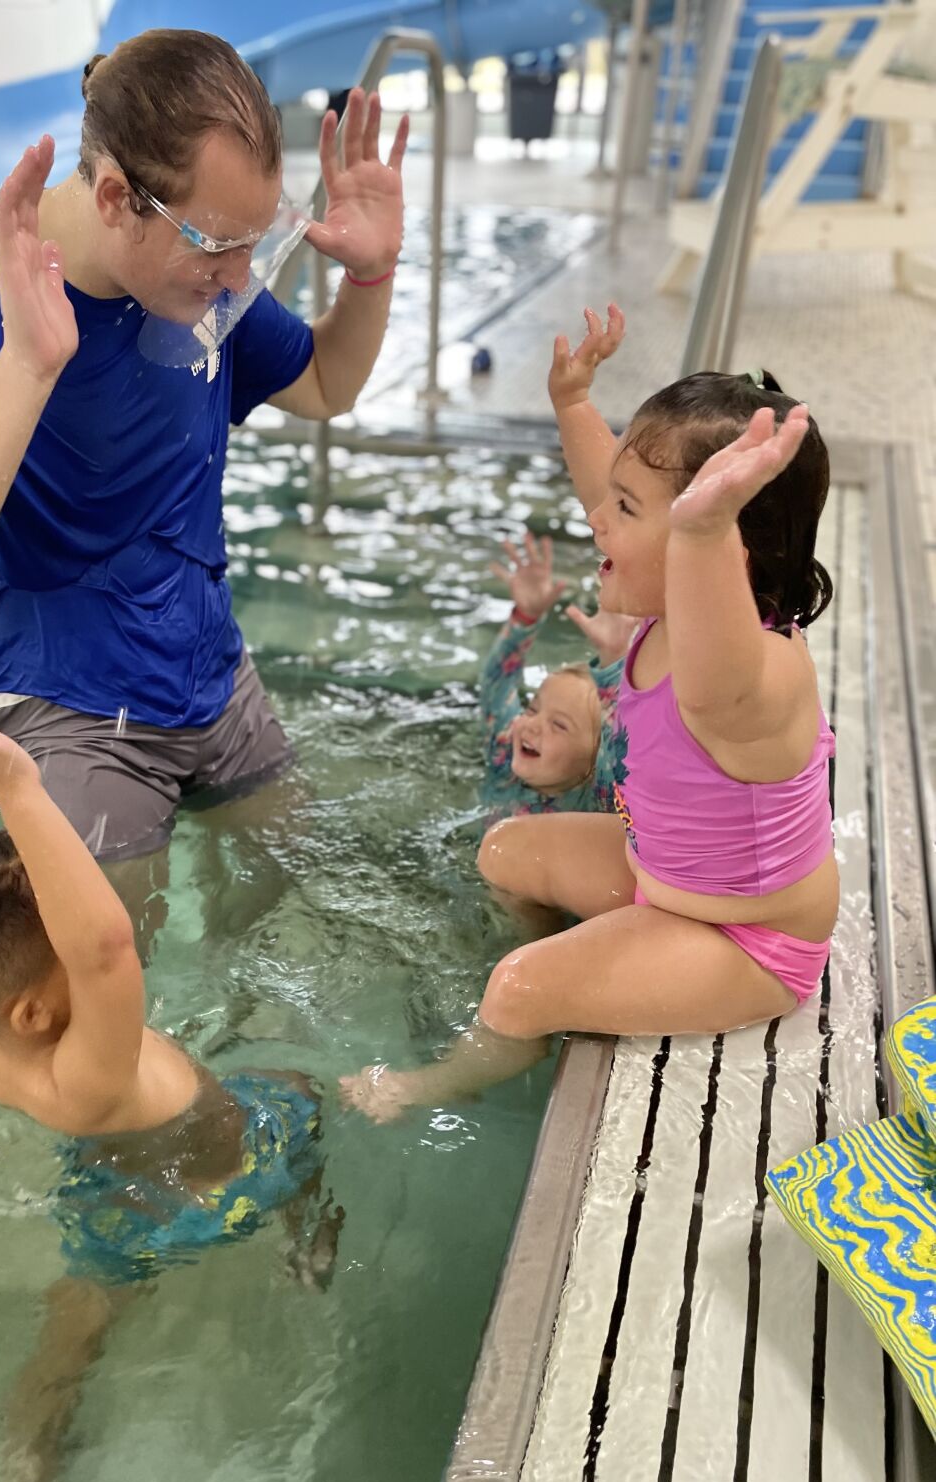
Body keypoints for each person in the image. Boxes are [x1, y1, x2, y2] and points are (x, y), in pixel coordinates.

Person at [0, 30, 408, 919]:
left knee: (297, 903)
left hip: (208, 671)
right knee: (96, 996)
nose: (238, 279)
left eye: (255, 243)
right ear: (113, 197)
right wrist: (25, 369)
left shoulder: (200, 280)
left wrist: (369, 277)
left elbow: (326, 383)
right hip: (59, 706)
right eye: (218, 246)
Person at [344, 307, 837, 1116]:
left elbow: (711, 667)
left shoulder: (750, 672)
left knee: (517, 985)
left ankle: (445, 1077)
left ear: (717, 543)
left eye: (627, 511)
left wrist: (701, 525)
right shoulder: (672, 609)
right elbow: (610, 492)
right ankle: (575, 979)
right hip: (664, 882)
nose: (594, 518)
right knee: (507, 850)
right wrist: (573, 403)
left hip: (744, 945)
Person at [0, 686, 343, 1482]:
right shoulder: (93, 1066)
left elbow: (33, 944)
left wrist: (14, 827)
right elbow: (104, 948)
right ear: (34, 1009)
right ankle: (304, 1241)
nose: (77, 901)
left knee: (81, 1311)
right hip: (217, 1171)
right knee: (302, 1099)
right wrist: (18, 786)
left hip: (111, 1177)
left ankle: (25, 1455)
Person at [480, 528, 636, 823]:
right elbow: (497, 686)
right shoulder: (505, 757)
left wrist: (614, 657)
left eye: (559, 725)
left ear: (591, 762)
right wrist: (525, 618)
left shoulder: (594, 803)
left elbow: (620, 746)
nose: (532, 726)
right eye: (532, 709)